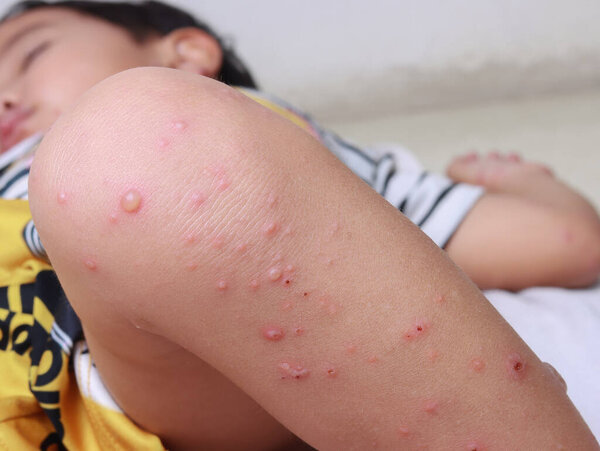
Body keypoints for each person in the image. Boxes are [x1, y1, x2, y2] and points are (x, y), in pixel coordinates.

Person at [0, 1, 598, 450]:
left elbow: (561, 241)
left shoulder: (255, 146)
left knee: (133, 143)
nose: (3, 94)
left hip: (117, 397)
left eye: (29, 55)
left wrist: (528, 183)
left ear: (187, 53)